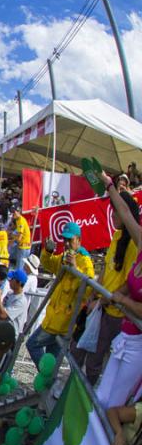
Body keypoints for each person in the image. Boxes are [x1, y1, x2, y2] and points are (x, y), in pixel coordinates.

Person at [71, 191, 139, 385]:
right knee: (76, 348)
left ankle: (86, 398)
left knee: (94, 359)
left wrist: (104, 300)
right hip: (98, 306)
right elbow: (106, 270)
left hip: (113, 313)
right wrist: (94, 294)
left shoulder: (134, 245)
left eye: (115, 212)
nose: (112, 216)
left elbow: (128, 282)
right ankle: (70, 388)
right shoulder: (116, 236)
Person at [96, 171, 142, 408]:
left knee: (114, 403)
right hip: (126, 333)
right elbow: (125, 212)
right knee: (101, 397)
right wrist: (110, 185)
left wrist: (121, 299)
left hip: (139, 346)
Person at [25, 221, 94, 368]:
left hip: (62, 322)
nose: (67, 243)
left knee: (32, 344)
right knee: (52, 358)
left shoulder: (85, 262)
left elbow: (89, 290)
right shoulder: (64, 256)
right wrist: (48, 251)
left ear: (79, 240)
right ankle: (47, 386)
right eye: (65, 239)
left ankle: (46, 375)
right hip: (55, 318)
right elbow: (49, 264)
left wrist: (75, 268)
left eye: (70, 240)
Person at [0, 269, 29, 336]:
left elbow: (3, 315)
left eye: (12, 279)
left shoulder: (21, 301)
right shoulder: (10, 294)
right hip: (1, 331)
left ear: (19, 283)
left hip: (10, 336)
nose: (9, 280)